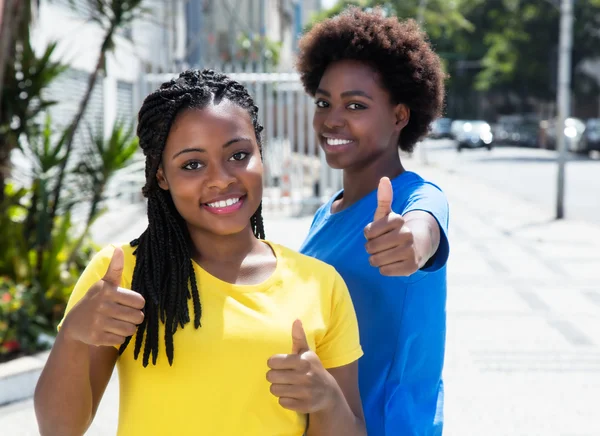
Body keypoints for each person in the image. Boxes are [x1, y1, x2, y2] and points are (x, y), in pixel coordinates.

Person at [34, 69, 366, 436]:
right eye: (192, 164)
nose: (221, 178)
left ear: (260, 154)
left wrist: (326, 400)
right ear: (161, 175)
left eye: (239, 155)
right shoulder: (125, 274)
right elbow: (58, 428)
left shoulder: (320, 284)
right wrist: (74, 336)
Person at [296, 7, 450, 436]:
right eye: (324, 102)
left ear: (400, 116)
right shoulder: (329, 211)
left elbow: (422, 232)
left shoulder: (419, 198)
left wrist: (410, 245)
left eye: (356, 105)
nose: (332, 119)